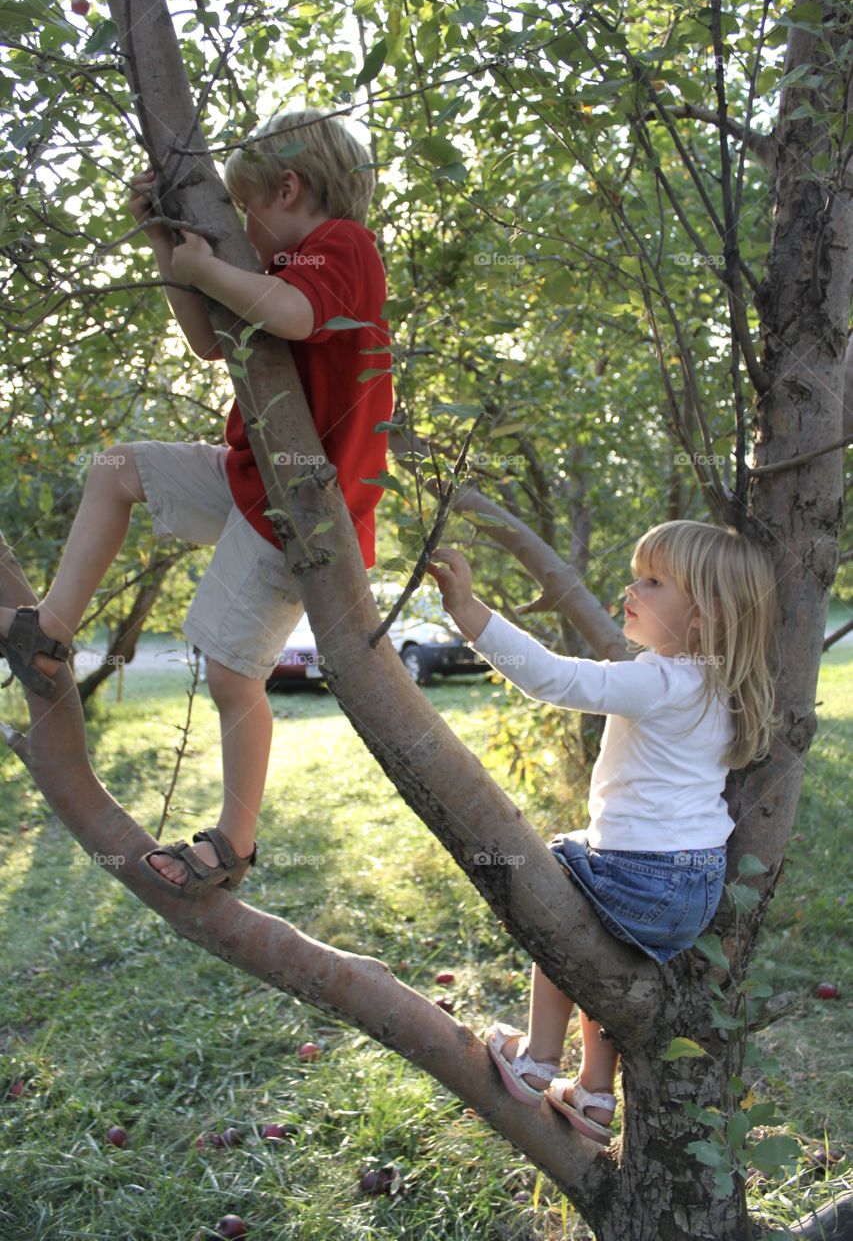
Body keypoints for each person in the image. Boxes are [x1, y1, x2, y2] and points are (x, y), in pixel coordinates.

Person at [0, 107, 393, 899]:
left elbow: (294, 316)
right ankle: (50, 634)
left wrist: (211, 268)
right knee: (119, 468)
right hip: (253, 475)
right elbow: (211, 340)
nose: (243, 225)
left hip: (302, 512)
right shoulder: (281, 265)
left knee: (227, 672)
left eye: (249, 205)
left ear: (289, 186)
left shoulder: (343, 246)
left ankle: (234, 842)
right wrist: (167, 247)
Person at [427, 521, 777, 1143]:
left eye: (653, 581)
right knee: (607, 952)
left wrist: (469, 612)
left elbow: (554, 679)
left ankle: (536, 1060)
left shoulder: (662, 679)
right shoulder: (726, 688)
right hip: (695, 889)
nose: (631, 588)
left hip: (644, 875)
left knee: (560, 885)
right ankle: (592, 1094)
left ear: (705, 615)